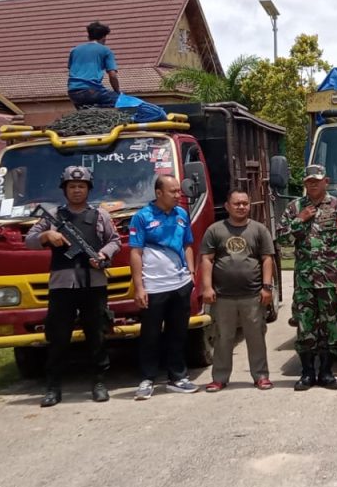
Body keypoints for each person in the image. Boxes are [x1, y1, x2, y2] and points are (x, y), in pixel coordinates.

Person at [25, 165, 121, 407]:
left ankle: (99, 382)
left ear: (88, 189)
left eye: (81, 186)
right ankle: (53, 387)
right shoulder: (52, 217)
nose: (77, 190)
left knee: (96, 335)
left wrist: (102, 255)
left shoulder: (100, 215)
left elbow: (115, 241)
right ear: (64, 189)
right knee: (58, 337)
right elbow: (29, 241)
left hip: (94, 282)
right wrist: (47, 237)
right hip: (62, 285)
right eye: (72, 186)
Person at [276, 164, 337, 391]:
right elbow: (281, 240)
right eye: (309, 181)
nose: (313, 184)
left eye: (317, 180)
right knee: (305, 326)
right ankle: (307, 373)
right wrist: (300, 219)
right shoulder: (295, 207)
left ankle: (327, 373)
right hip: (305, 280)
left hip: (331, 280)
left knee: (330, 326)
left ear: (326, 182)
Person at [200, 189, 277, 392]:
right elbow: (206, 259)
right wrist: (207, 287)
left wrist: (267, 287)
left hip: (252, 295)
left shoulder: (259, 230)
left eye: (245, 203)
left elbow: (267, 258)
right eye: (237, 203)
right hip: (222, 295)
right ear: (227, 206)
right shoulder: (215, 230)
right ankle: (219, 378)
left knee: (256, 337)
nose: (241, 207)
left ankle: (261, 376)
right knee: (223, 337)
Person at [129, 174, 198, 399]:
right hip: (154, 286)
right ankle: (148, 378)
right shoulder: (142, 217)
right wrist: (139, 286)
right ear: (159, 193)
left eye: (179, 191)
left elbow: (188, 244)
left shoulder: (182, 215)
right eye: (174, 191)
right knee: (150, 334)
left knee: (177, 333)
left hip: (180, 284)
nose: (179, 195)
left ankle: (177, 377)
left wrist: (191, 271)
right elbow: (136, 252)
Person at [68, 21, 120, 109]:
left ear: (88, 36)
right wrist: (117, 92)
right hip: (91, 91)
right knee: (120, 101)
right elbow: (112, 75)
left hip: (73, 92)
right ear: (104, 37)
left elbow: (72, 70)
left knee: (88, 112)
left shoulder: (74, 50)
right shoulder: (105, 50)